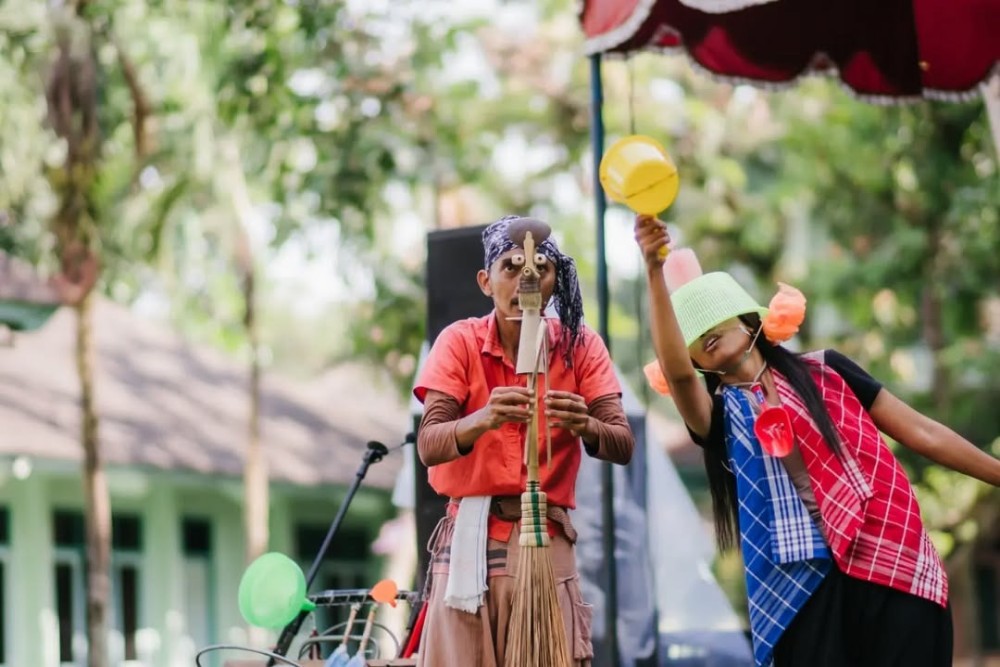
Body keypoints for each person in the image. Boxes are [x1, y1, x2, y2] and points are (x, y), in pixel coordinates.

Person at [633, 213, 1000, 667]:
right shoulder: (717, 418)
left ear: (750, 320)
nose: (704, 331)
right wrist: (653, 271)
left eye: (714, 314)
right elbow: (679, 375)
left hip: (886, 549)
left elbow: (923, 432)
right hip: (801, 581)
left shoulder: (826, 371)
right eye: (691, 331)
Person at [413, 215, 635, 667]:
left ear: (556, 280)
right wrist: (483, 419)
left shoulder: (579, 345)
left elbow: (622, 443)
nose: (526, 279)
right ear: (485, 281)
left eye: (540, 269)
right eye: (511, 268)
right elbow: (429, 444)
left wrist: (587, 426)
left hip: (545, 536)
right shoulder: (459, 342)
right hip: (472, 537)